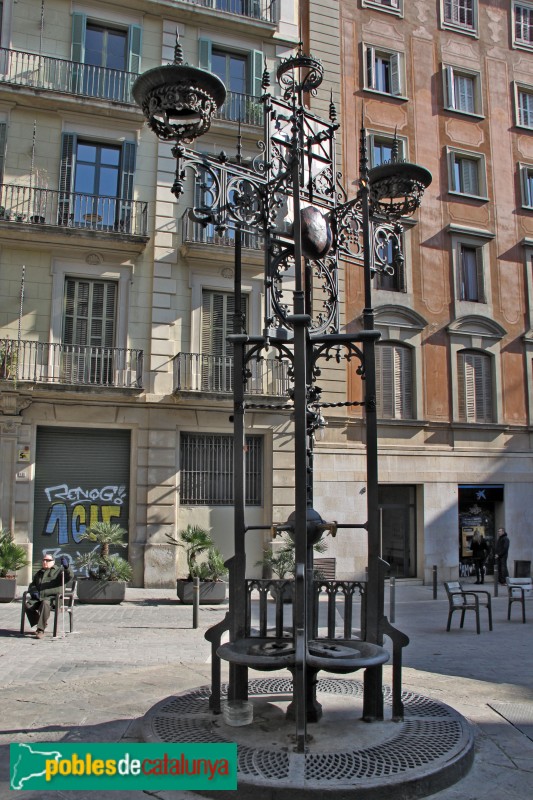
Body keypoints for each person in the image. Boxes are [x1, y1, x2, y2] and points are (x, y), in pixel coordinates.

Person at [25, 553, 73, 639]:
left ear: (53, 562)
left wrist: (66, 567)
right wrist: (34, 591)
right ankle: (42, 622)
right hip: (39, 598)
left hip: (54, 599)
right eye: (43, 560)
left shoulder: (59, 571)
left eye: (47, 560)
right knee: (28, 605)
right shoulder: (39, 573)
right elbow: (32, 585)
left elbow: (69, 576)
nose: (44, 562)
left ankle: (40, 630)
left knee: (45, 603)